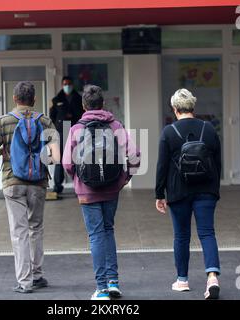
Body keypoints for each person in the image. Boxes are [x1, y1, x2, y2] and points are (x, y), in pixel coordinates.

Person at [63, 85, 140, 300]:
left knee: (96, 235)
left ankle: (102, 289)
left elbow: (67, 163)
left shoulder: (77, 129)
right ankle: (113, 282)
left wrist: (80, 180)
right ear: (103, 104)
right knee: (108, 230)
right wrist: (125, 178)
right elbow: (135, 155)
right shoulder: (115, 125)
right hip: (111, 188)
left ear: (83, 105)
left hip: (87, 191)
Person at [0, 81, 59, 294]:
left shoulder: (2, 122)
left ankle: (24, 282)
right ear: (34, 100)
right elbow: (56, 157)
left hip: (12, 183)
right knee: (35, 228)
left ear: (14, 99)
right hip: (38, 183)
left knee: (19, 232)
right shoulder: (45, 121)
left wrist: (3, 151)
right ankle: (37, 276)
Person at [155, 88, 222, 300]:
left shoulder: (168, 132)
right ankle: (212, 277)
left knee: (181, 236)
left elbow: (162, 166)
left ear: (175, 109)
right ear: (193, 107)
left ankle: (182, 280)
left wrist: (159, 194)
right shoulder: (209, 129)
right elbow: (217, 162)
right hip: (206, 190)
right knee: (207, 233)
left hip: (178, 191)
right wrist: (214, 189)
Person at [50, 76, 84, 194]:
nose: (67, 86)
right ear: (62, 85)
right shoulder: (56, 99)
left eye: (69, 84)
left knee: (76, 159)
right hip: (61, 131)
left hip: (75, 130)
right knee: (59, 159)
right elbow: (52, 116)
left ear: (72, 85)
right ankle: (57, 186)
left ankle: (78, 186)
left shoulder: (79, 99)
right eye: (65, 84)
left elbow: (83, 114)